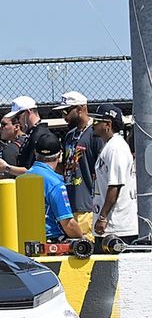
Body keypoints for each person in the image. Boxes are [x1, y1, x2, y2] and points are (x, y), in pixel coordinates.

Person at [55, 91, 102, 240]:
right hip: (70, 202)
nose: (64, 116)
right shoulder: (70, 135)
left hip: (86, 205)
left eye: (67, 111)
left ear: (80, 109)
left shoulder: (95, 134)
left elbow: (100, 169)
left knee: (84, 247)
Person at [91, 103, 138, 250]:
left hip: (117, 225)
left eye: (97, 121)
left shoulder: (116, 148)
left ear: (108, 124)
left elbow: (115, 185)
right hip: (110, 225)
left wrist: (103, 217)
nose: (93, 124)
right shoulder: (109, 146)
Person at [26, 131, 83, 241]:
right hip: (50, 242)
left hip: (24, 239)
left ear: (35, 153)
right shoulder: (55, 183)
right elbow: (68, 224)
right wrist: (83, 240)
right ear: (60, 155)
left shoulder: (23, 178)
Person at [0, 96, 54, 177]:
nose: (18, 121)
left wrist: (6, 167)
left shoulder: (39, 136)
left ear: (28, 112)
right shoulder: (33, 134)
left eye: (18, 117)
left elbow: (34, 171)